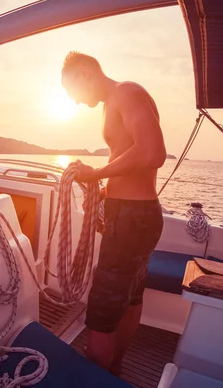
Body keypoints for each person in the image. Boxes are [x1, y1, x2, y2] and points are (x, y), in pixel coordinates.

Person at [60, 51, 166, 375]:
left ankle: (99, 375)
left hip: (131, 219)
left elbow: (152, 152)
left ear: (84, 73)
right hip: (136, 215)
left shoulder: (126, 92)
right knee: (131, 297)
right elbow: (130, 155)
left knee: (101, 312)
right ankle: (115, 369)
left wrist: (95, 175)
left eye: (72, 93)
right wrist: (105, 190)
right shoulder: (113, 102)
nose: (76, 103)